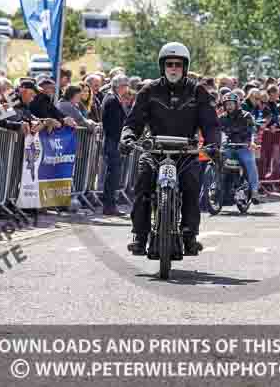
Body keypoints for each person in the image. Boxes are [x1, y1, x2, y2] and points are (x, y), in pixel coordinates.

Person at [120, 42, 220, 256]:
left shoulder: (198, 91)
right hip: (154, 149)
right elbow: (134, 121)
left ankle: (190, 236)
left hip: (186, 152)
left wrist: (213, 144)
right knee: (143, 184)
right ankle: (140, 235)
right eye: (169, 64)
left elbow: (210, 123)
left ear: (184, 67)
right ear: (162, 67)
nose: (173, 68)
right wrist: (127, 137)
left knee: (192, 187)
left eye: (177, 64)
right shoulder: (149, 90)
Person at [218, 92, 260, 204]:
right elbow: (217, 132)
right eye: (227, 104)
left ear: (237, 104)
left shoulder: (246, 116)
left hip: (244, 146)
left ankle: (255, 191)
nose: (229, 106)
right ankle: (217, 188)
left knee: (250, 162)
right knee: (217, 161)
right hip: (228, 147)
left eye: (231, 104)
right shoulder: (221, 117)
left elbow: (253, 131)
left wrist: (251, 143)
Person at [101, 75, 130, 216]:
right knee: (113, 174)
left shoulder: (114, 98)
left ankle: (110, 204)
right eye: (125, 85)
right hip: (113, 141)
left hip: (115, 140)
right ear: (120, 86)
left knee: (114, 173)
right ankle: (109, 205)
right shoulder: (112, 100)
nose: (126, 88)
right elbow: (112, 124)